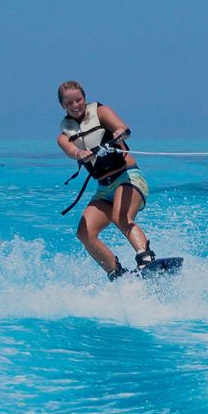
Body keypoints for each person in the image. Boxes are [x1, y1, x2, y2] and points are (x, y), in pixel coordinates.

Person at [56, 80, 156, 281]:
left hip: (128, 177)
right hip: (104, 188)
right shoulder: (64, 135)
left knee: (121, 217)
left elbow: (122, 128)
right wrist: (79, 153)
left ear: (84, 98)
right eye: (69, 103)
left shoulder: (100, 112)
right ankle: (116, 273)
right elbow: (70, 150)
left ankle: (147, 258)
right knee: (84, 233)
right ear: (62, 106)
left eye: (79, 100)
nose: (75, 105)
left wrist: (119, 133)